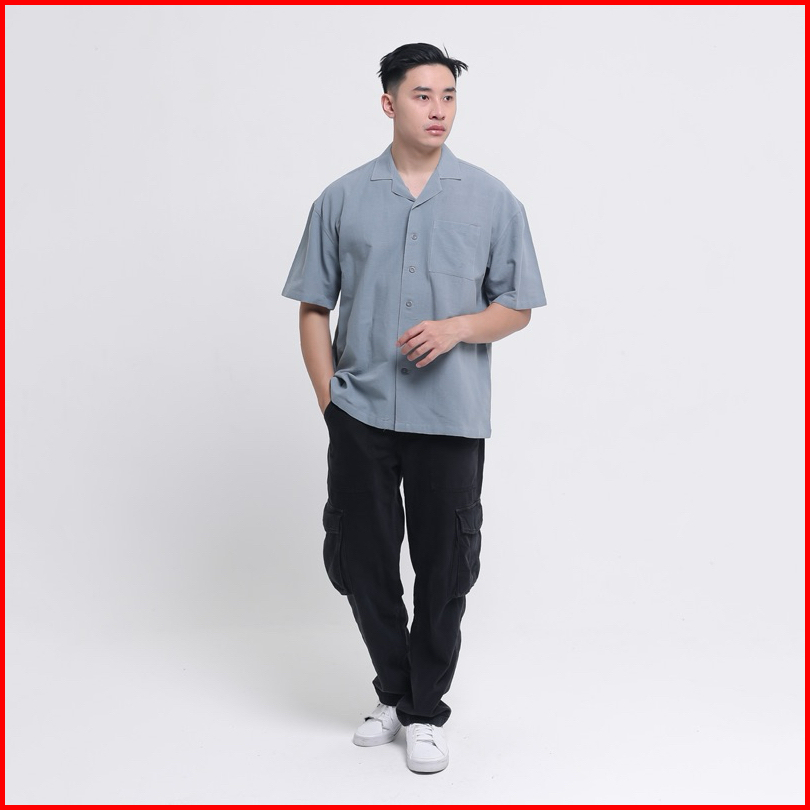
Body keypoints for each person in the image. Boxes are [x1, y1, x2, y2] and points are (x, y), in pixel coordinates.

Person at [281, 42, 547, 774]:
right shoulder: (340, 199)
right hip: (360, 413)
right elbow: (312, 306)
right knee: (360, 560)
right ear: (389, 102)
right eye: (423, 95)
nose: (438, 110)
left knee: (446, 565)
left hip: (450, 415)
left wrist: (457, 328)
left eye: (448, 96)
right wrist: (330, 401)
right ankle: (394, 694)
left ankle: (425, 710)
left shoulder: (492, 199)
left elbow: (518, 306)